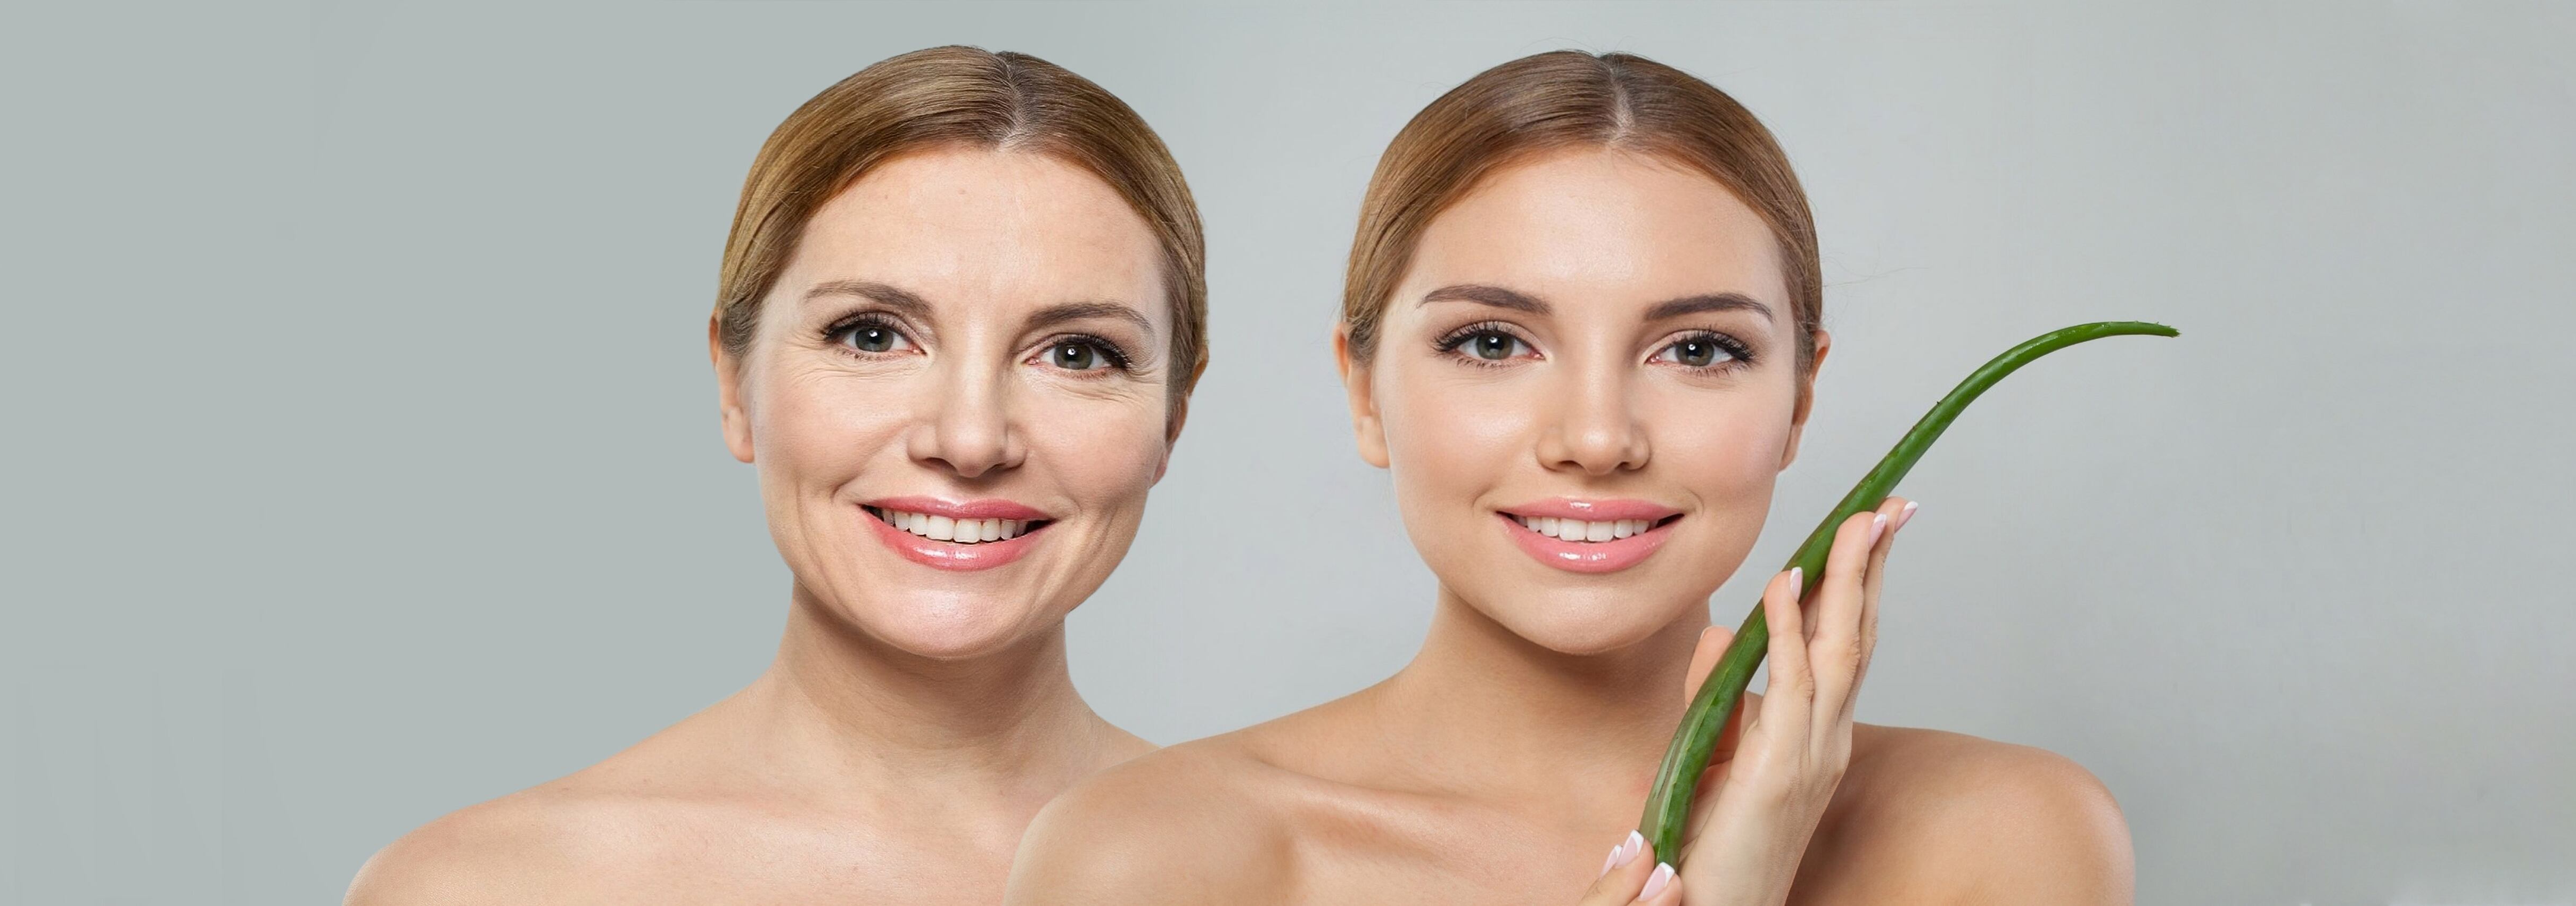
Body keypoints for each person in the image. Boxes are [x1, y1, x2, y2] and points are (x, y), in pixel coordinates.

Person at [1008, 50, 2129, 905]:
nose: (1597, 438)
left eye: (1699, 349)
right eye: (1492, 342)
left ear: (1799, 398)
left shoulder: (2004, 840)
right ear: (1364, 392)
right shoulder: (1154, 859)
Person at [346, 45, 1208, 904]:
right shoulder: (485, 888)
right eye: (872, 335)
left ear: (1174, 413)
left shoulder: (1271, 874)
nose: (971, 438)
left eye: (1076, 353)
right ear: (734, 383)